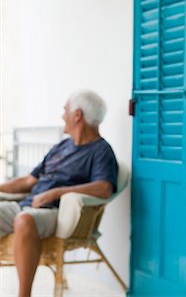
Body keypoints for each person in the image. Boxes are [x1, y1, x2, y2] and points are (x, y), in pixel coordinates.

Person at [0, 90, 118, 297]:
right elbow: (29, 180)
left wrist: (56, 193)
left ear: (77, 115)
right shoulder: (62, 146)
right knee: (22, 215)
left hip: (55, 213)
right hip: (26, 204)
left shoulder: (101, 151)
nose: (62, 115)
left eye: (65, 110)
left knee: (24, 220)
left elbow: (104, 187)